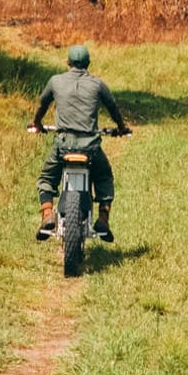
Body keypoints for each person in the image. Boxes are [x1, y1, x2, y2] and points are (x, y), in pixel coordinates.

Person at [30, 45, 131, 242]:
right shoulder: (98, 84)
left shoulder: (55, 81)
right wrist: (121, 127)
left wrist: (37, 123)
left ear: (68, 63)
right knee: (104, 177)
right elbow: (113, 108)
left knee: (47, 178)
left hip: (63, 144)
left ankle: (47, 213)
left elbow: (42, 104)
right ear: (88, 64)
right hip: (90, 147)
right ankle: (103, 218)